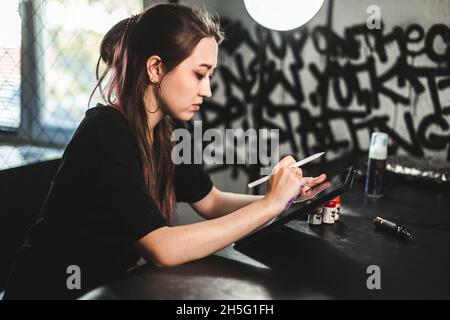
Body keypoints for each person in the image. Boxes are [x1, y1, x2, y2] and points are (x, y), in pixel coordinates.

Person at [3, 3, 326, 300]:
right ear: (156, 68)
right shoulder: (104, 132)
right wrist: (269, 205)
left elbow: (210, 201)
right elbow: (163, 248)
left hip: (106, 288)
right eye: (199, 74)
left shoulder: (170, 129)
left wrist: (286, 199)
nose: (208, 90)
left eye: (210, 76)